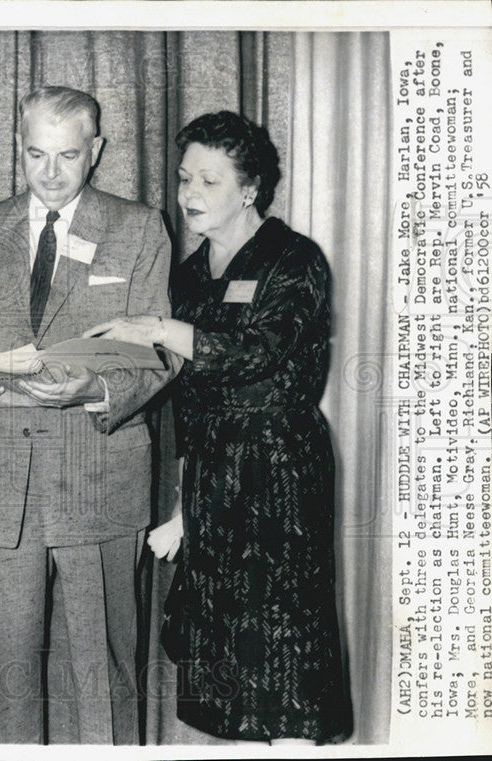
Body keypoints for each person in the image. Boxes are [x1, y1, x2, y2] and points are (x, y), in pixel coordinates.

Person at [86, 110, 354, 744]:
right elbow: (189, 401)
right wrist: (183, 509)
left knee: (283, 649)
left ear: (250, 188)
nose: (189, 196)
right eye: (184, 179)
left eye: (209, 181)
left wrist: (159, 328)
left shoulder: (295, 259)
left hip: (280, 470)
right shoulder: (187, 275)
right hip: (213, 477)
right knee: (227, 651)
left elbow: (256, 353)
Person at [0, 86, 180, 744]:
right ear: (18, 148)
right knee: (11, 671)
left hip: (99, 476)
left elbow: (158, 349)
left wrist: (93, 389)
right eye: (35, 154)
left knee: (103, 671)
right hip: (3, 486)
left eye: (68, 156)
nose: (49, 173)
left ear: (97, 151)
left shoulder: (137, 227)